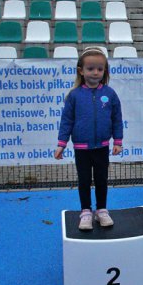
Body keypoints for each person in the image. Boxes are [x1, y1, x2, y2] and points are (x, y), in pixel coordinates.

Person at [54, 47, 124, 231]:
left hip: (102, 147)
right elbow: (67, 121)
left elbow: (117, 118)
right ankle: (85, 212)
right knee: (84, 180)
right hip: (81, 148)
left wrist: (118, 141)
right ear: (81, 71)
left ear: (105, 71)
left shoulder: (110, 94)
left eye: (100, 69)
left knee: (101, 179)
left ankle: (102, 210)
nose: (95, 72)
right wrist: (61, 144)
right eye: (91, 68)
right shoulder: (74, 96)